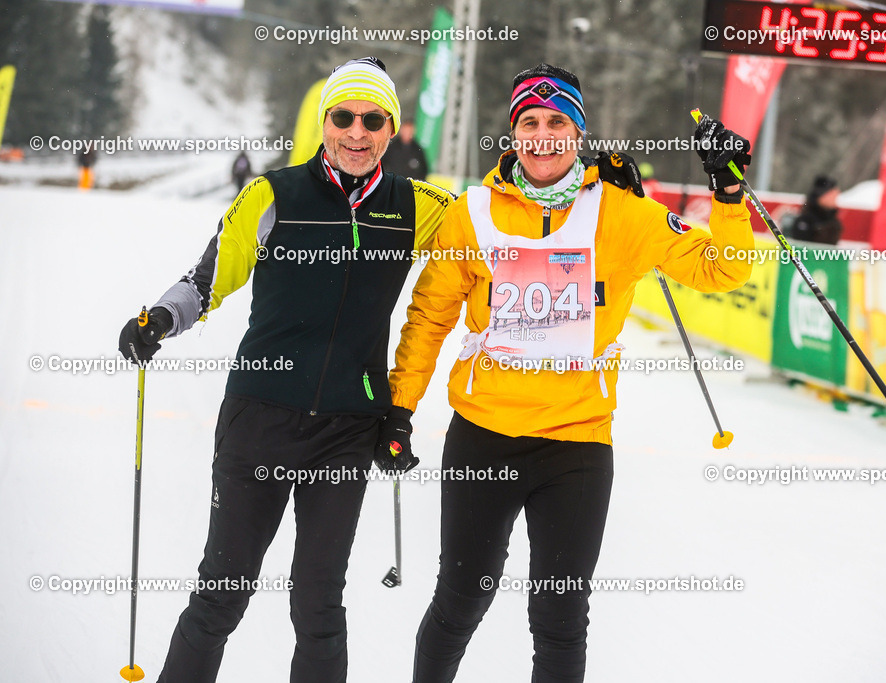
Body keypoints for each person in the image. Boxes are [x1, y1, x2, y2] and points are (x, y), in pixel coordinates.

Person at [381, 63, 754, 682]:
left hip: (577, 444)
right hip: (483, 436)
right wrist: (400, 409)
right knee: (461, 601)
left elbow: (723, 268)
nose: (543, 135)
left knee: (559, 617)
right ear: (514, 133)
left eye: (558, 122)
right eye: (529, 121)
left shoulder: (623, 213)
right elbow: (429, 317)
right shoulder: (472, 214)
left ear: (578, 131)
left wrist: (729, 194)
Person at [117, 56, 452, 682]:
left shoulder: (421, 206)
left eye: (373, 120)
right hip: (260, 418)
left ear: (392, 129)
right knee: (222, 594)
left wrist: (599, 188)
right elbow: (209, 277)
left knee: (319, 605)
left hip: (348, 428)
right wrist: (159, 318)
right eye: (343, 117)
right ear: (325, 123)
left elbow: (502, 228)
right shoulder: (273, 194)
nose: (357, 132)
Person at [789, 174, 842, 244]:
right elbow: (800, 247)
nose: (835, 199)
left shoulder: (834, 222)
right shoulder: (805, 221)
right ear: (822, 196)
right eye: (832, 195)